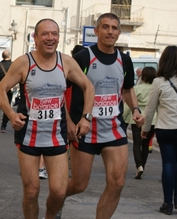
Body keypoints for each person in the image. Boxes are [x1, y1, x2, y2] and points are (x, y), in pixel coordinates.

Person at [0, 18, 95, 219]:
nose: (50, 38)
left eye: (54, 34)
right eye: (45, 34)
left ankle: (50, 215)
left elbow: (88, 86)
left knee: (58, 191)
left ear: (58, 37)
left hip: (56, 136)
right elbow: (0, 90)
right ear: (36, 37)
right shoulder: (24, 62)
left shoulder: (65, 61)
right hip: (28, 135)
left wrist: (86, 117)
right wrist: (11, 114)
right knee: (31, 191)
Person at [65, 13, 145, 219]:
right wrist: (69, 122)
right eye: (106, 27)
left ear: (119, 32)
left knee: (117, 182)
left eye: (114, 28)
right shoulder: (83, 57)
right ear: (96, 31)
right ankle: (56, 201)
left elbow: (127, 90)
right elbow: (62, 90)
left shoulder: (124, 60)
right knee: (79, 185)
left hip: (114, 130)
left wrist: (135, 109)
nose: (110, 32)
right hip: (85, 130)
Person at [141, 45, 177, 215]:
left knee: (169, 164)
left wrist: (146, 129)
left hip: (166, 129)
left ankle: (168, 204)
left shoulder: (159, 82)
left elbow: (150, 108)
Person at [123, 66, 157, 179]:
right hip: (153, 119)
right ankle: (143, 165)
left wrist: (123, 117)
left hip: (137, 118)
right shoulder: (156, 88)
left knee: (137, 142)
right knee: (146, 144)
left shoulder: (137, 88)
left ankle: (139, 166)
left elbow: (130, 105)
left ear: (143, 76)